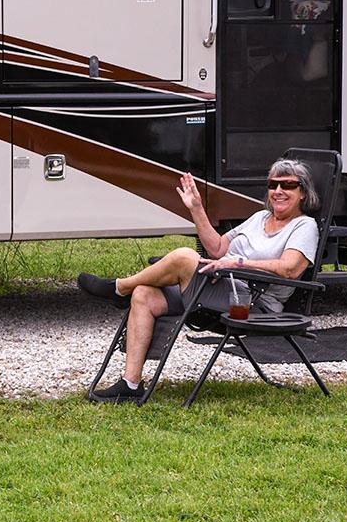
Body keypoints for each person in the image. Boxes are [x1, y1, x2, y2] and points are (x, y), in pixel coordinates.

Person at [78, 158, 320, 402]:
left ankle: (119, 288)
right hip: (221, 283)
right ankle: (130, 384)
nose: (278, 191)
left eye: (288, 185)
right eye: (273, 184)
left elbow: (290, 268)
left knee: (184, 256)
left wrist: (237, 264)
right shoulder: (259, 218)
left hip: (251, 303)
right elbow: (217, 248)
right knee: (143, 294)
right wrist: (196, 208)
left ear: (303, 192)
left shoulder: (304, 226)